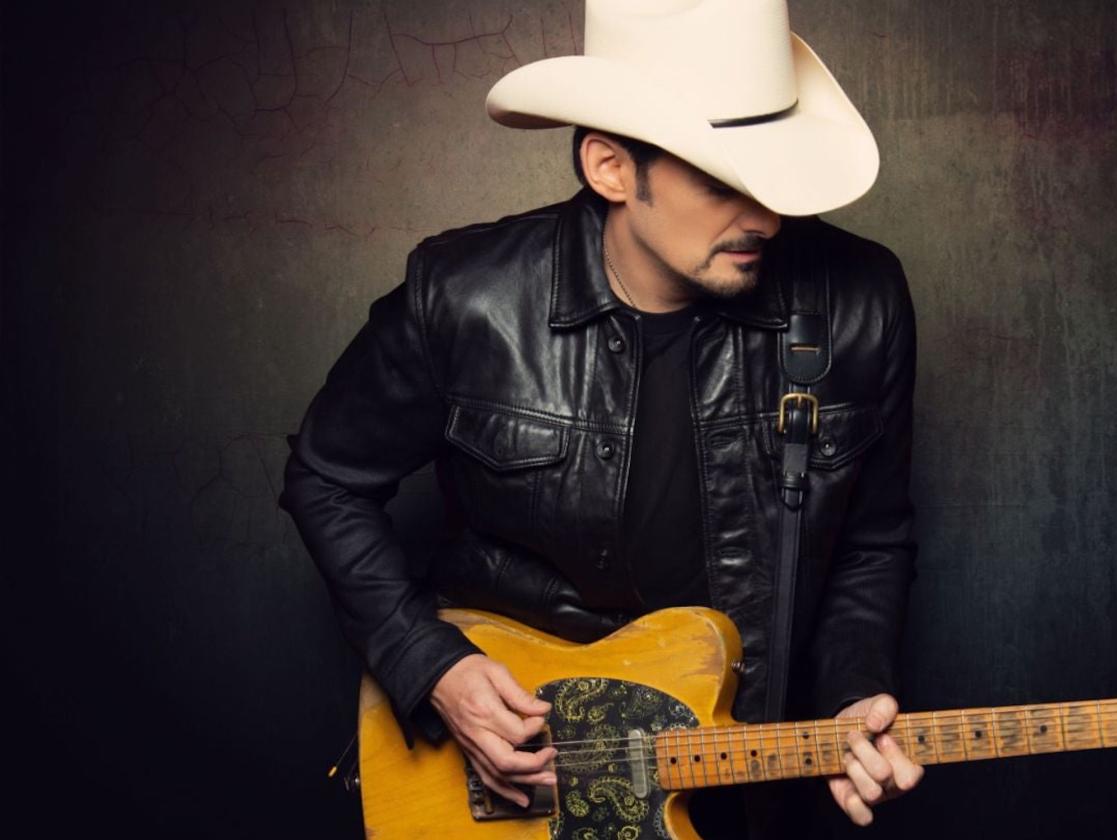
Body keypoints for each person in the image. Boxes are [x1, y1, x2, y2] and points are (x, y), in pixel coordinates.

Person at [279, 1, 921, 836]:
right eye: (724, 180)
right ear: (612, 168)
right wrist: (427, 663)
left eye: (773, 176)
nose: (764, 217)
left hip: (731, 781)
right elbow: (326, 477)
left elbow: (871, 541)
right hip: (512, 783)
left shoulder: (859, 304)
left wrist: (848, 697)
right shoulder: (466, 297)